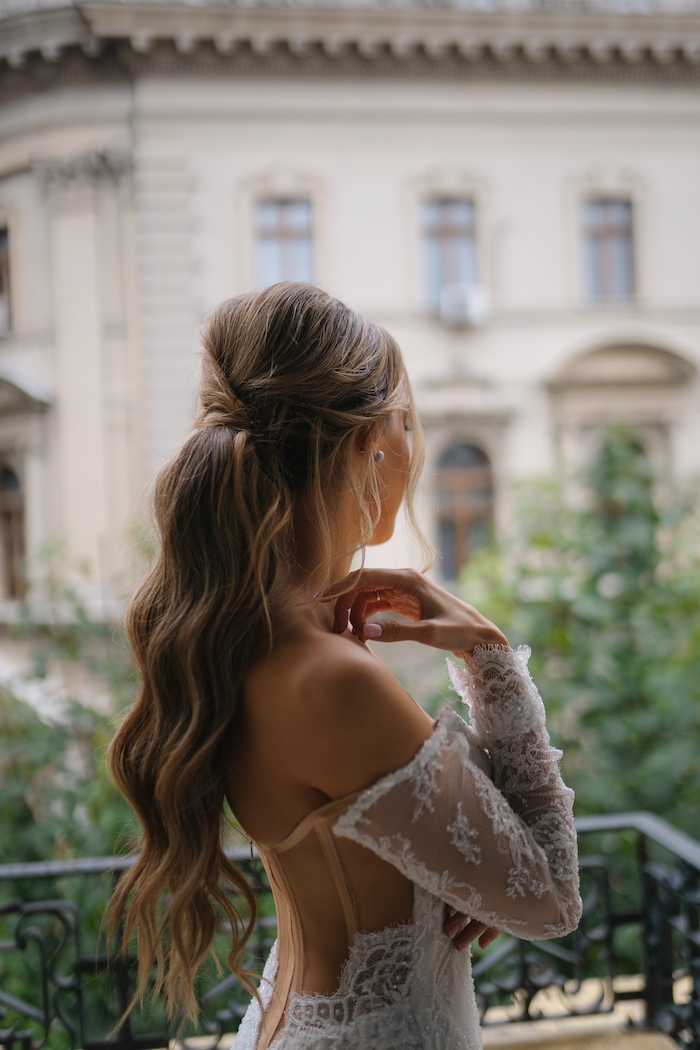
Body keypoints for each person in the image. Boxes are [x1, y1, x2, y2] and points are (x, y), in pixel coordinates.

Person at [108, 282, 582, 1050]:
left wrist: (473, 869)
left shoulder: (244, 638)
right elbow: (552, 899)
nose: (413, 445)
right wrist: (489, 654)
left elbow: (464, 870)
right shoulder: (333, 681)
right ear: (371, 444)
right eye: (406, 419)